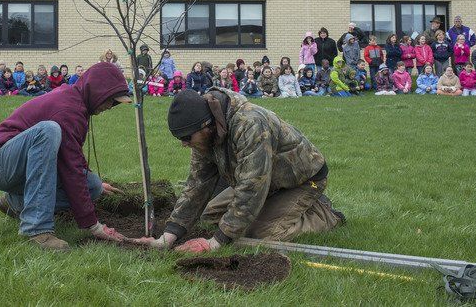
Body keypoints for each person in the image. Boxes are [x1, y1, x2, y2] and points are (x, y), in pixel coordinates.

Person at [132, 88, 344, 252]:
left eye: (187, 138)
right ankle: (277, 208)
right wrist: (170, 234)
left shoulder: (250, 124)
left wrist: (216, 242)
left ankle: (325, 214)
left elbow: (252, 187)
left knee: (260, 233)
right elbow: (197, 185)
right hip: (267, 181)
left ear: (206, 125)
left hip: (302, 180)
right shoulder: (206, 136)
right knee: (210, 216)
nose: (184, 144)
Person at [0, 62, 132, 251]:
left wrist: (94, 181)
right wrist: (93, 225)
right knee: (48, 130)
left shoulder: (77, 103)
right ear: (98, 91)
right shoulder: (67, 109)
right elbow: (71, 169)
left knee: (91, 185)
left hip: (18, 168)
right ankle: (36, 229)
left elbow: (72, 156)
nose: (111, 106)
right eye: (112, 100)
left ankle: (14, 202)